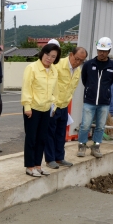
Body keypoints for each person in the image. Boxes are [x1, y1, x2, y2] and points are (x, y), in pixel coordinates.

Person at [21, 41, 61, 177]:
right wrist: (27, 106)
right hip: (32, 108)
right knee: (31, 138)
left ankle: (38, 165)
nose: (49, 58)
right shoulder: (32, 68)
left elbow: (55, 90)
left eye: (53, 56)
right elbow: (26, 88)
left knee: (42, 138)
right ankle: (29, 166)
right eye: (47, 54)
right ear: (42, 53)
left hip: (46, 109)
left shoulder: (54, 70)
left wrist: (54, 105)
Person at [45, 45, 87, 169]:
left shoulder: (78, 70)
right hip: (53, 106)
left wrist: (67, 102)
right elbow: (48, 84)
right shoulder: (57, 65)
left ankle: (59, 158)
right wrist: (52, 102)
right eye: (77, 59)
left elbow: (72, 89)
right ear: (71, 55)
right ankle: (50, 159)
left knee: (61, 134)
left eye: (81, 61)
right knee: (50, 134)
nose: (78, 62)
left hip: (64, 106)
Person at [78, 37, 113, 158]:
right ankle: (81, 145)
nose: (102, 53)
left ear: (109, 51)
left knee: (100, 126)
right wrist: (91, 90)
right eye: (100, 50)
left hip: (104, 102)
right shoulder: (88, 65)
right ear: (97, 49)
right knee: (85, 125)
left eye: (105, 51)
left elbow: (110, 82)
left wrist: (104, 92)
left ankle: (96, 147)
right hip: (89, 101)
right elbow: (85, 81)